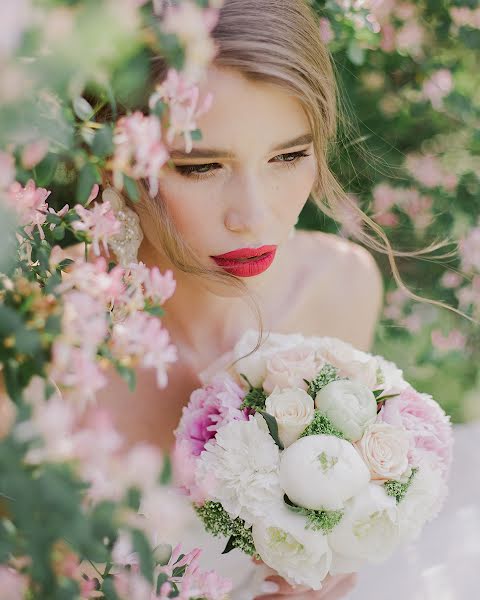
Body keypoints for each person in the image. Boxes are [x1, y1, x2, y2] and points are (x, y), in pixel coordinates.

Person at [94, 1, 406, 598]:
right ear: (114, 160)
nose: (255, 219)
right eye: (202, 166)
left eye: (289, 156)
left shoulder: (340, 288)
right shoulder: (44, 350)